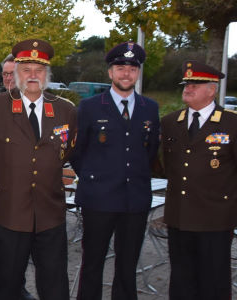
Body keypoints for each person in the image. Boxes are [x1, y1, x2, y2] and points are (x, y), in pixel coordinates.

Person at [0, 39, 77, 300]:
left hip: (50, 213)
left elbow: (66, 151)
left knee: (55, 285)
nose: (33, 75)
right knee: (6, 285)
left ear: (48, 74)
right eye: (26, 70)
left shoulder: (65, 110)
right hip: (9, 214)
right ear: (16, 73)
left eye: (39, 70)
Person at [71, 42, 160, 300]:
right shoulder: (89, 107)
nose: (126, 74)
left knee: (127, 265)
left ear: (138, 73)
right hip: (99, 199)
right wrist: (96, 178)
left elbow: (150, 151)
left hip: (135, 200)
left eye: (132, 69)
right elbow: (78, 152)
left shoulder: (149, 108)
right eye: (120, 68)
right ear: (110, 72)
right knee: (93, 263)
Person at [160, 60, 236, 300]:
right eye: (186, 84)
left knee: (214, 282)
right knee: (181, 281)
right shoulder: (172, 122)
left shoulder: (231, 123)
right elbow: (164, 166)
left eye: (195, 84)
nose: (188, 88)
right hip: (179, 217)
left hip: (215, 219)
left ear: (212, 89)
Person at [0, 52, 36, 300]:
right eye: (4, 73)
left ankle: (19, 286)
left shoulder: (37, 106)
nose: (8, 78)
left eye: (12, 73)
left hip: (26, 191)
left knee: (21, 244)